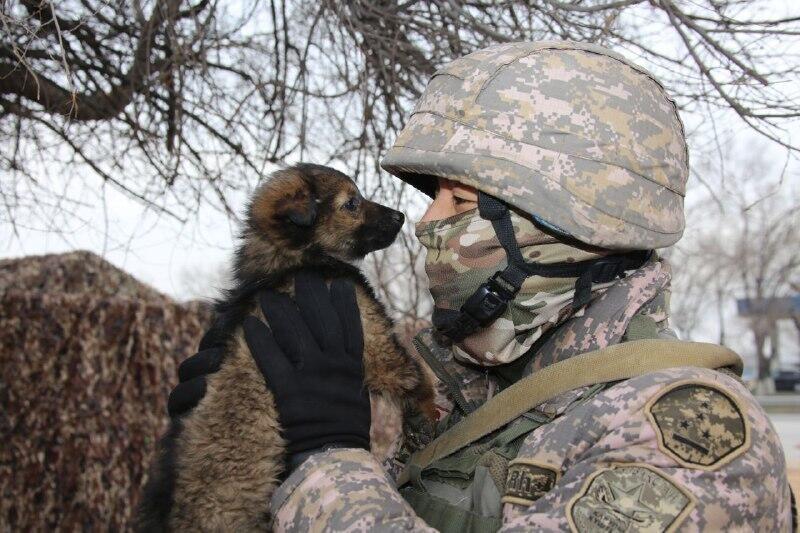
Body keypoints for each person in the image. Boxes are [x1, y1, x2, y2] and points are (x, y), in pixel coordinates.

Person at [168, 42, 795, 531]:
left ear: (570, 225)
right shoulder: (465, 380)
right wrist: (245, 451)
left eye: (460, 199)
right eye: (432, 196)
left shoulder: (695, 438)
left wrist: (321, 461)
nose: (428, 222)